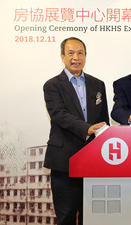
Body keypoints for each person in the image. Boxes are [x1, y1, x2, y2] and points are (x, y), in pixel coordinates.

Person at [43, 37, 109, 225]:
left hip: (94, 162)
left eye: (80, 53)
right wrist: (87, 128)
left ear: (85, 56)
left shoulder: (98, 85)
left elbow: (104, 120)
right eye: (71, 53)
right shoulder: (52, 85)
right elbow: (59, 115)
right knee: (66, 218)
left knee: (93, 217)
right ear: (62, 56)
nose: (76, 57)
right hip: (65, 162)